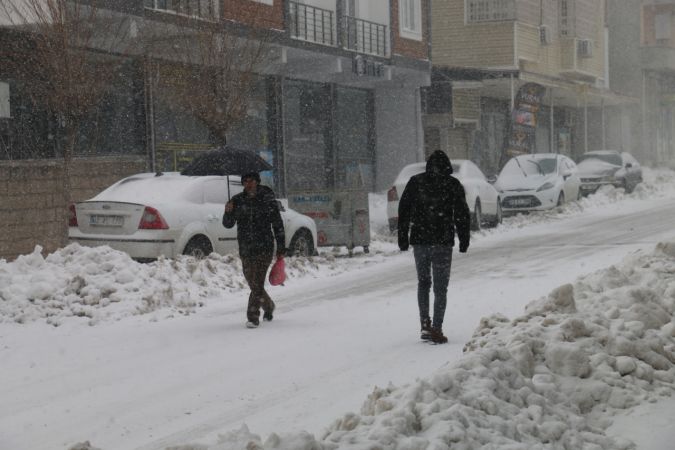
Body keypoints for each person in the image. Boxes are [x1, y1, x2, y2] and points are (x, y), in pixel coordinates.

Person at [397, 150, 471, 344]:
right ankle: (436, 328)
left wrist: (403, 237)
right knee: (440, 288)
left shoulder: (416, 182)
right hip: (443, 242)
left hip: (420, 241)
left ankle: (424, 323)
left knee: (423, 283)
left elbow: (403, 210)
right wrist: (464, 240)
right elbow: (462, 214)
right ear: (447, 166)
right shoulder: (452, 185)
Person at [223, 171, 286, 328]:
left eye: (251, 181)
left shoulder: (267, 198)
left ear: (257, 182)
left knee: (257, 281)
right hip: (246, 247)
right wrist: (228, 211)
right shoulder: (237, 200)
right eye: (245, 181)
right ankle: (268, 305)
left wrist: (281, 246)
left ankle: (253, 316)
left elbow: (277, 223)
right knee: (252, 281)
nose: (248, 184)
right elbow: (228, 224)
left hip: (264, 246)